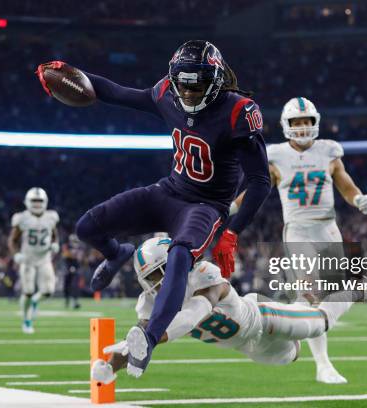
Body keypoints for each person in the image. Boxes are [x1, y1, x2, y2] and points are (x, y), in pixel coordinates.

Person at [36, 40, 271, 376]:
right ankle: (117, 254)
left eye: (198, 84)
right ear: (173, 79)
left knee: (179, 255)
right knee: (87, 227)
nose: (189, 93)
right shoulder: (166, 93)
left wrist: (232, 232)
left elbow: (261, 180)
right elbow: (116, 92)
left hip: (206, 205)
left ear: (217, 80)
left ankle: (149, 336)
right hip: (169, 191)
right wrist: (71, 73)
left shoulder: (237, 111)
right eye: (183, 84)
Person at [90, 237, 367, 384]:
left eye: (170, 269)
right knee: (292, 355)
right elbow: (139, 342)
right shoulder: (148, 303)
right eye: (158, 274)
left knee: (318, 323)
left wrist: (150, 337)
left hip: (263, 318)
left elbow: (194, 313)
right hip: (247, 346)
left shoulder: (203, 273)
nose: (168, 279)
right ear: (145, 280)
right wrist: (110, 366)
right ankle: (303, 298)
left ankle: (359, 289)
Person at [232, 97, 367, 384]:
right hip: (297, 230)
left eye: (307, 121)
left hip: (327, 228)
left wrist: (356, 197)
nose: (303, 126)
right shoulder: (276, 155)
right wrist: (233, 207)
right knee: (311, 294)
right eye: (297, 122)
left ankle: (287, 326)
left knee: (334, 294)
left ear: (315, 122)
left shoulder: (328, 150)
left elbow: (343, 180)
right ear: (287, 125)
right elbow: (258, 189)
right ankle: (322, 364)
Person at [8, 187, 60, 334]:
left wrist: (56, 243)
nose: (37, 204)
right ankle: (26, 320)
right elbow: (12, 240)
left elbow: (54, 234)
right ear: (27, 202)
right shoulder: (22, 218)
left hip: (44, 258)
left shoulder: (51, 217)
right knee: (28, 291)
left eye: (40, 201)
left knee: (48, 291)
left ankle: (35, 303)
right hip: (28, 259)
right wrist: (16, 254)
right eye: (34, 201)